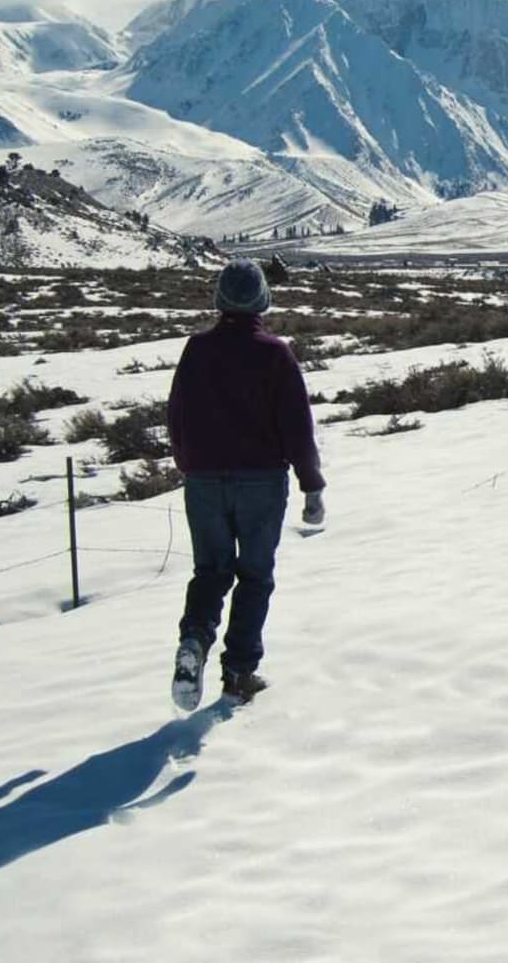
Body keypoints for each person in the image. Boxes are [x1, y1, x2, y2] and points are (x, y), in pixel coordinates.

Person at [166, 258, 326, 708]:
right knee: (254, 577)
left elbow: (176, 415)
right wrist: (312, 486)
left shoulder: (196, 350)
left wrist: (190, 466)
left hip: (203, 482)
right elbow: (297, 429)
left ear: (220, 299)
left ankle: (194, 641)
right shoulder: (274, 353)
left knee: (210, 573)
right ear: (262, 300)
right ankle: (238, 673)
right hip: (260, 482)